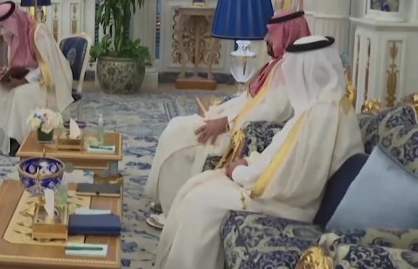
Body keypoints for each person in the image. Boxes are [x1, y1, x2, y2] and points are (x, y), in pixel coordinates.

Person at [154, 35, 364, 269]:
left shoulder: (323, 115)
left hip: (290, 205)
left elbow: (296, 182)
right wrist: (250, 162)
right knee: (196, 188)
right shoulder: (318, 108)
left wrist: (240, 174)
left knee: (200, 202)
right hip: (277, 190)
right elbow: (283, 155)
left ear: (308, 70)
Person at [145, 10, 311, 229]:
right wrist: (220, 111)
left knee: (179, 135)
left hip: (236, 133)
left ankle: (172, 212)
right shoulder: (276, 65)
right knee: (175, 126)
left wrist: (225, 122)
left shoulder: (288, 71)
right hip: (231, 122)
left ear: (285, 35)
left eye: (272, 34)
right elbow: (248, 99)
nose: (266, 39)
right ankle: (167, 200)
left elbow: (270, 112)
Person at [0, 1, 73, 156]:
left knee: (20, 94)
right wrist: (6, 71)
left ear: (13, 22)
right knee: (1, 88)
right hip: (30, 77)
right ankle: (1, 139)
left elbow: (46, 67)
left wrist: (23, 81)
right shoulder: (15, 37)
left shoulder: (37, 32)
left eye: (3, 26)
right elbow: (20, 64)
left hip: (49, 80)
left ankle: (18, 141)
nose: (1, 30)